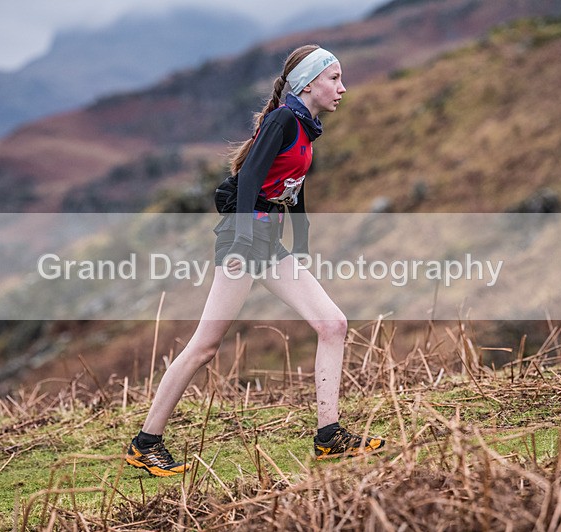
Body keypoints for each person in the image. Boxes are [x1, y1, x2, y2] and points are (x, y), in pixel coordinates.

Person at [126, 44, 385, 477]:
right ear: (308, 82)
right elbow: (247, 179)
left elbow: (291, 187)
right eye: (335, 78)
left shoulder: (306, 125)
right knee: (205, 347)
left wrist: (299, 240)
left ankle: (330, 438)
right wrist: (245, 240)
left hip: (266, 241)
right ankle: (145, 444)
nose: (343, 87)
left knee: (332, 324)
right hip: (243, 239)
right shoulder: (285, 119)